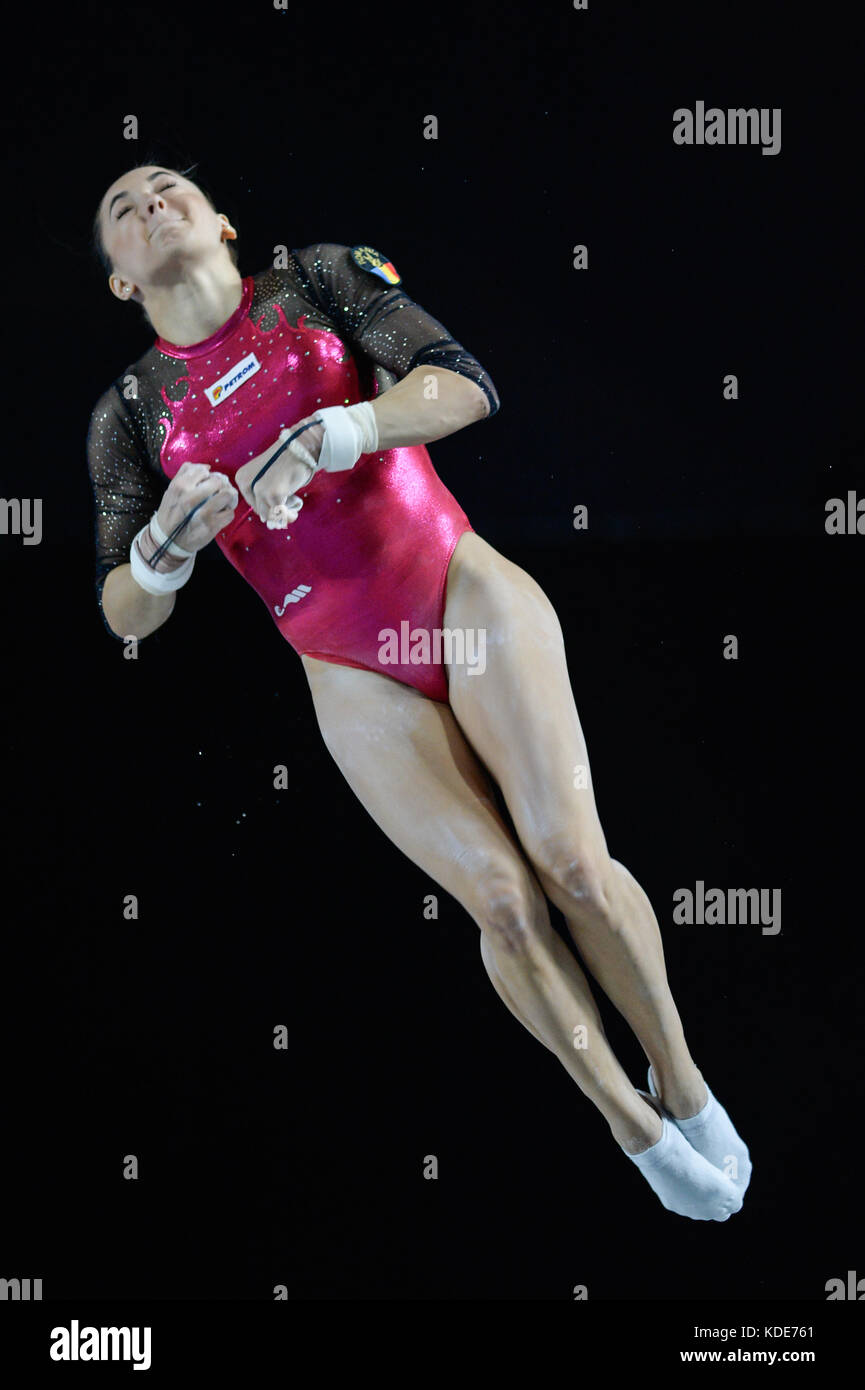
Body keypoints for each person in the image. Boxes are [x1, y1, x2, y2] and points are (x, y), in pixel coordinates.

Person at [88, 162, 751, 1221]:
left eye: (167, 188)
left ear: (221, 220)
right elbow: (123, 610)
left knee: (572, 861)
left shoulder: (313, 281)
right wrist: (162, 553)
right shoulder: (128, 413)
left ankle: (681, 1078)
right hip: (347, 663)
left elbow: (464, 380)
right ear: (119, 280)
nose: (148, 206)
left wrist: (344, 429)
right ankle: (630, 1124)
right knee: (499, 900)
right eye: (121, 210)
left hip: (457, 588)